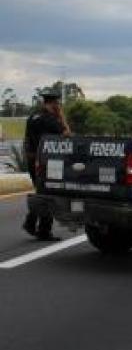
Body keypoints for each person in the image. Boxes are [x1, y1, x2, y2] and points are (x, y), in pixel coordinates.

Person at [22, 89, 70, 241]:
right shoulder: (50, 120)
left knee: (43, 191)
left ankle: (34, 224)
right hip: (46, 161)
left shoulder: (33, 117)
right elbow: (67, 133)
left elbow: (28, 139)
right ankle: (40, 228)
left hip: (32, 160)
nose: (58, 106)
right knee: (49, 192)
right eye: (57, 104)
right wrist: (62, 117)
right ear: (55, 103)